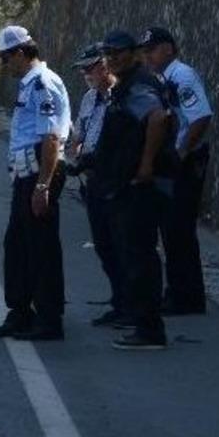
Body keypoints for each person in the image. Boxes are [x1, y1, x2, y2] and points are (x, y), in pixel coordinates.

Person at [0, 25, 71, 341]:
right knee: (18, 246)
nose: (4, 65)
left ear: (20, 53)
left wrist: (43, 186)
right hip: (26, 174)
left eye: (6, 58)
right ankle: (20, 312)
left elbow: (51, 138)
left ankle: (49, 319)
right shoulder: (29, 83)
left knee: (41, 248)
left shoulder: (42, 83)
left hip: (39, 173)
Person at [92, 30, 175, 350]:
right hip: (126, 185)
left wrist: (146, 165)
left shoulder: (138, 85)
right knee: (131, 254)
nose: (112, 58)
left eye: (118, 52)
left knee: (139, 256)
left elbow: (158, 118)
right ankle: (140, 321)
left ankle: (149, 330)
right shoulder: (126, 85)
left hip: (140, 187)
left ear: (134, 53)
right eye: (108, 53)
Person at [140, 26, 213, 315]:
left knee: (179, 229)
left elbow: (200, 116)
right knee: (171, 230)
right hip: (174, 161)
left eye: (152, 50)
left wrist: (181, 152)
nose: (148, 56)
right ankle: (180, 293)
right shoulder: (163, 78)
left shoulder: (182, 75)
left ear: (168, 48)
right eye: (145, 51)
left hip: (186, 162)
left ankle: (186, 297)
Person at [66, 42, 125, 327]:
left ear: (105, 65)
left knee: (124, 245)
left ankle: (133, 306)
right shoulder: (90, 98)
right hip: (92, 180)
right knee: (103, 245)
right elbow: (78, 135)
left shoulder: (122, 96)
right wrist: (76, 153)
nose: (86, 75)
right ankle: (119, 301)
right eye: (83, 70)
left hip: (117, 181)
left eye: (90, 68)